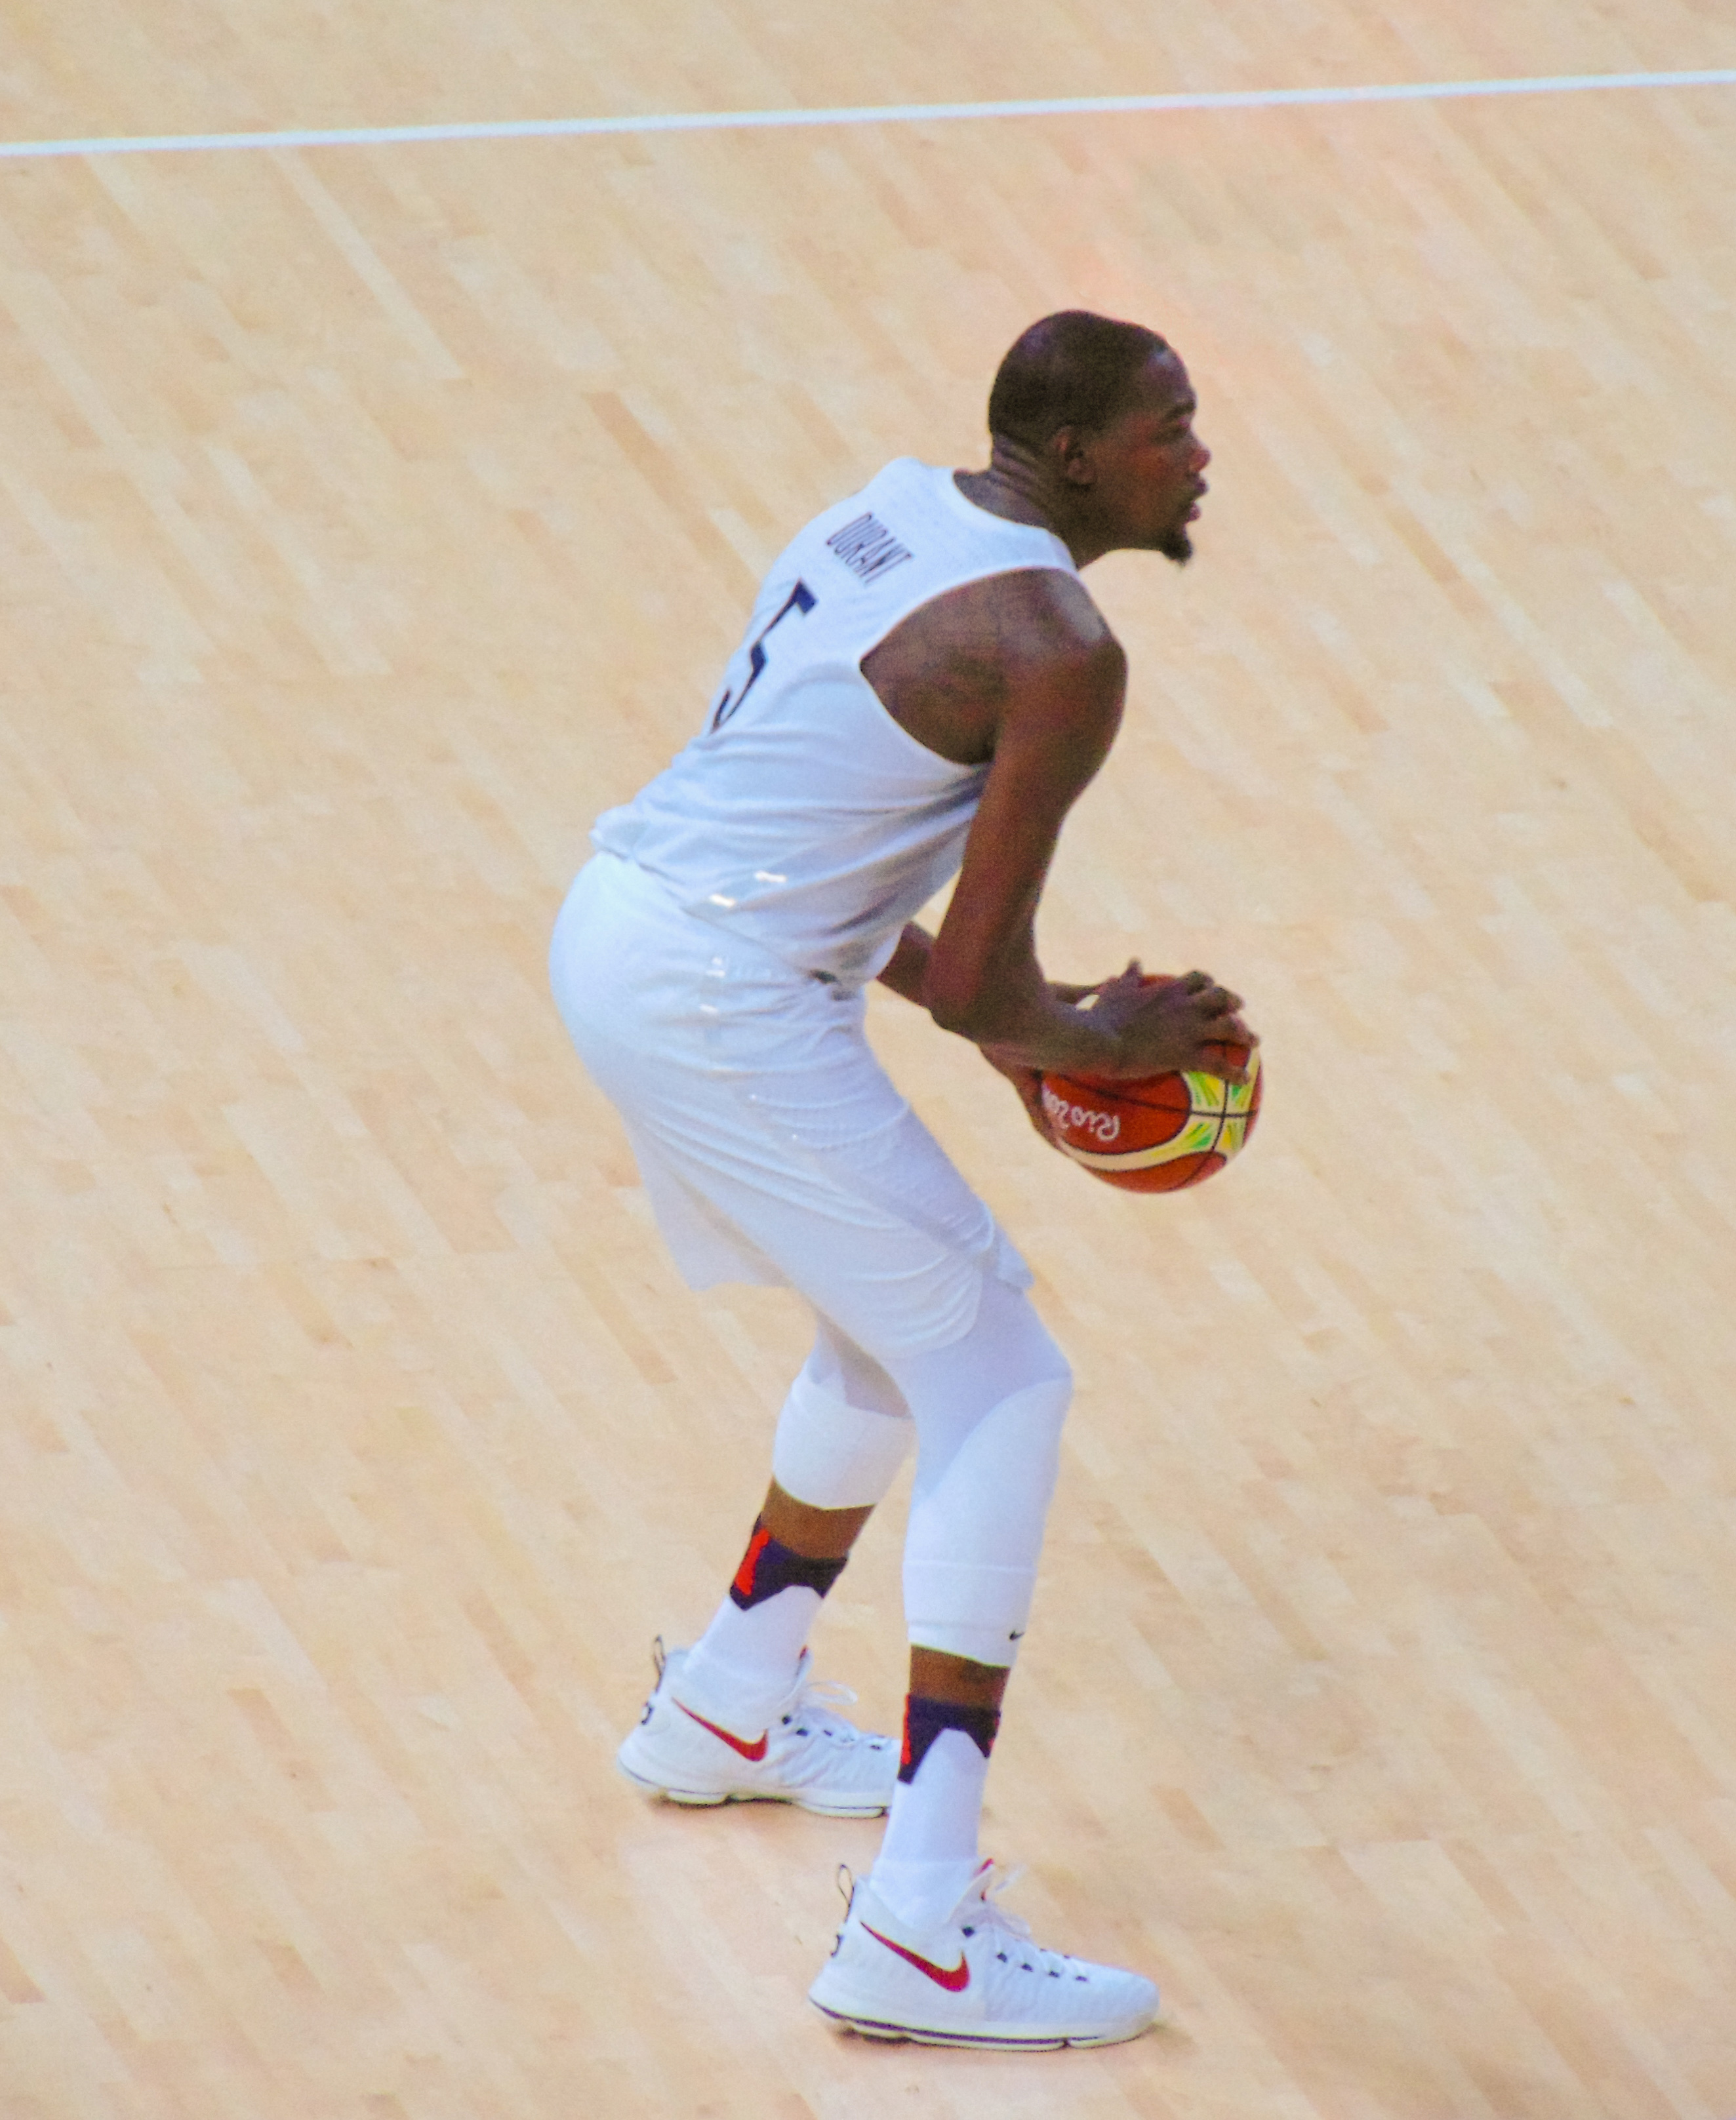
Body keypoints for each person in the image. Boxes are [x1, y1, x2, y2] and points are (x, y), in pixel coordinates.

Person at [548, 310, 1251, 2049]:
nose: (1199, 450)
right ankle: (922, 1923)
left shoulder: (884, 515)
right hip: (721, 991)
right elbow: (994, 992)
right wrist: (1102, 1029)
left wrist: (1043, 1027)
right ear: (1074, 453)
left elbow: (855, 882)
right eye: (1170, 423)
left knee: (886, 1330)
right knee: (1001, 1365)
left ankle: (730, 1701)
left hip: (642, 925)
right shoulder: (1055, 640)